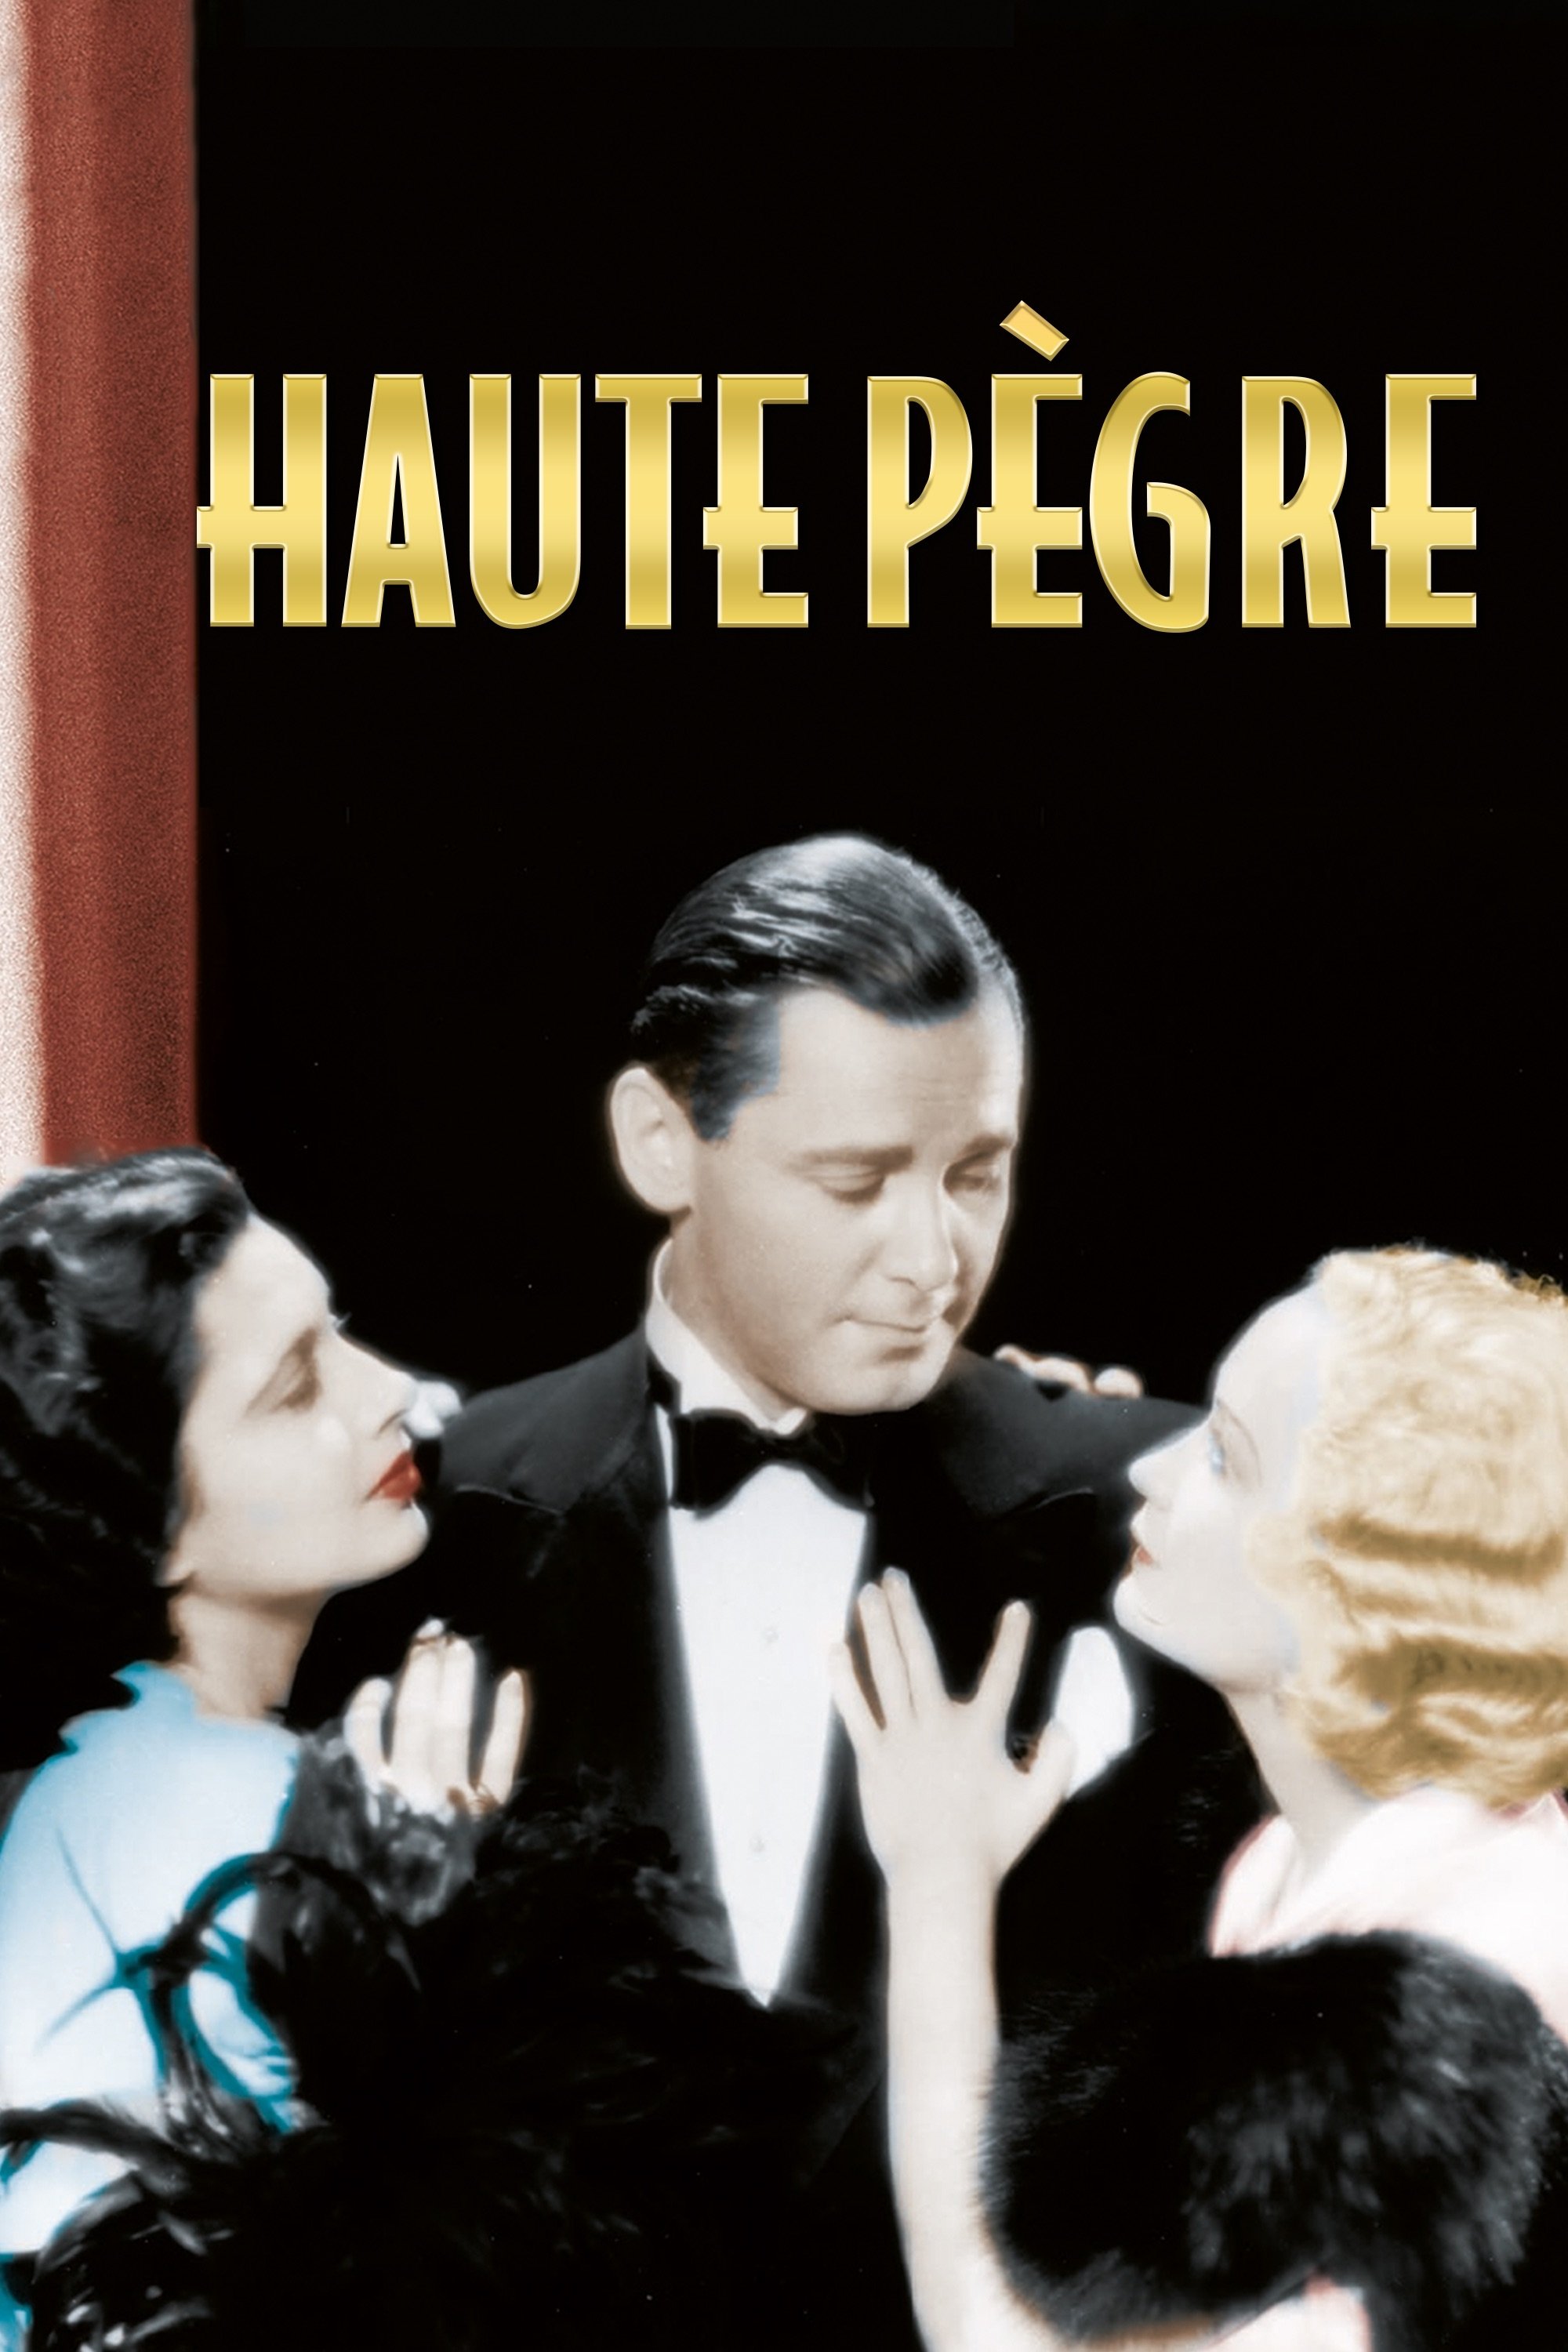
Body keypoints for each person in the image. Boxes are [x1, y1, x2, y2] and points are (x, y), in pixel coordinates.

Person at [293, 835, 1261, 2347]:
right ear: (658, 1143)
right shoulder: (415, 1532)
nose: (934, 1258)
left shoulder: (1168, 1519)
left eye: (977, 1173)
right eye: (855, 1180)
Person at [0, 1151, 784, 2352]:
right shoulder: (232, 1809)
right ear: (147, 1518)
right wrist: (440, 1938)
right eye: (295, 1386)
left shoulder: (108, 1772)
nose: (406, 1394)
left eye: (340, 1334)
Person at [833, 1247, 1568, 2352]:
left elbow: (995, 2340)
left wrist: (939, 1879)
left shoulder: (1461, 2011)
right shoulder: (1290, 1859)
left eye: (1225, 1457)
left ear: (1362, 1591)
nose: (1154, 1471)